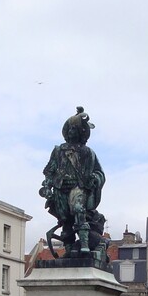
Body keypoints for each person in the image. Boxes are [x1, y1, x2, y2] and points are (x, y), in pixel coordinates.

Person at [39, 106, 106, 257]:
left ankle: (84, 245)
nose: (71, 132)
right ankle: (69, 251)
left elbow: (99, 172)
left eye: (74, 129)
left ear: (81, 132)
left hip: (78, 186)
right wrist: (47, 185)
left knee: (78, 210)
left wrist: (95, 179)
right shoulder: (58, 150)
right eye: (69, 129)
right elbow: (50, 170)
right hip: (60, 187)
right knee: (65, 220)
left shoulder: (87, 152)